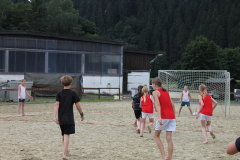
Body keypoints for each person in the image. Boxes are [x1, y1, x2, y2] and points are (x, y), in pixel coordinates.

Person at [54, 76, 84, 160]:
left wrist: (54, 116)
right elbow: (78, 106)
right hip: (69, 118)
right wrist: (81, 114)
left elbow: (56, 105)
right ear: (71, 83)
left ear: (62, 83)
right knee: (67, 135)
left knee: (63, 134)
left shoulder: (59, 93)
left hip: (61, 118)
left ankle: (66, 151)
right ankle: (64, 154)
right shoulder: (73, 93)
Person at [152, 77, 176, 160]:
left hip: (164, 116)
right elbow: (173, 105)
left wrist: (159, 117)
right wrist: (174, 117)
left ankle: (164, 156)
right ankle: (170, 158)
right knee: (169, 138)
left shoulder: (155, 92)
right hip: (171, 116)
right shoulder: (166, 92)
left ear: (155, 85)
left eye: (152, 84)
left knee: (156, 136)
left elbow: (158, 105)